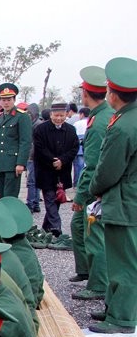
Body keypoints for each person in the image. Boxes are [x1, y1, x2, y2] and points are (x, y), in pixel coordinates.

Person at [88, 57, 137, 334]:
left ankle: (121, 318)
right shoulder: (129, 119)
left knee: (123, 262)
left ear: (113, 94)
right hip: (131, 199)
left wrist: (93, 189)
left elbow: (108, 171)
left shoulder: (123, 126)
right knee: (125, 257)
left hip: (124, 201)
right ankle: (114, 306)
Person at [70, 66, 114, 301]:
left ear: (85, 94)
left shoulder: (98, 123)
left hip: (95, 188)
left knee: (93, 233)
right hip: (99, 185)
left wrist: (81, 195)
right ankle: (87, 271)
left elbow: (93, 164)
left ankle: (97, 285)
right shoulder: (103, 115)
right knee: (79, 227)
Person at [32, 103, 79, 238]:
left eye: (62, 115)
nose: (59, 118)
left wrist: (62, 160)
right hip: (46, 170)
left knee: (57, 199)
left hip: (62, 171)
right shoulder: (41, 129)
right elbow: (39, 148)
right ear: (51, 115)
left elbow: (74, 148)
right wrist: (53, 160)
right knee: (50, 198)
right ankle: (56, 227)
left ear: (66, 115)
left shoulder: (71, 130)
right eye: (56, 115)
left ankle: (46, 228)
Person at [0, 83, 32, 198]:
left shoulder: (22, 116)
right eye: (3, 100)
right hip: (0, 163)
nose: (6, 103)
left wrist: (20, 163)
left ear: (14, 100)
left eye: (9, 100)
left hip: (13, 164)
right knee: (2, 197)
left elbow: (25, 142)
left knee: (10, 197)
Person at [72, 107, 89, 188]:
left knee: (78, 167)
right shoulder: (91, 122)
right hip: (88, 148)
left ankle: (77, 183)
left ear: (82, 114)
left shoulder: (77, 123)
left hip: (78, 148)